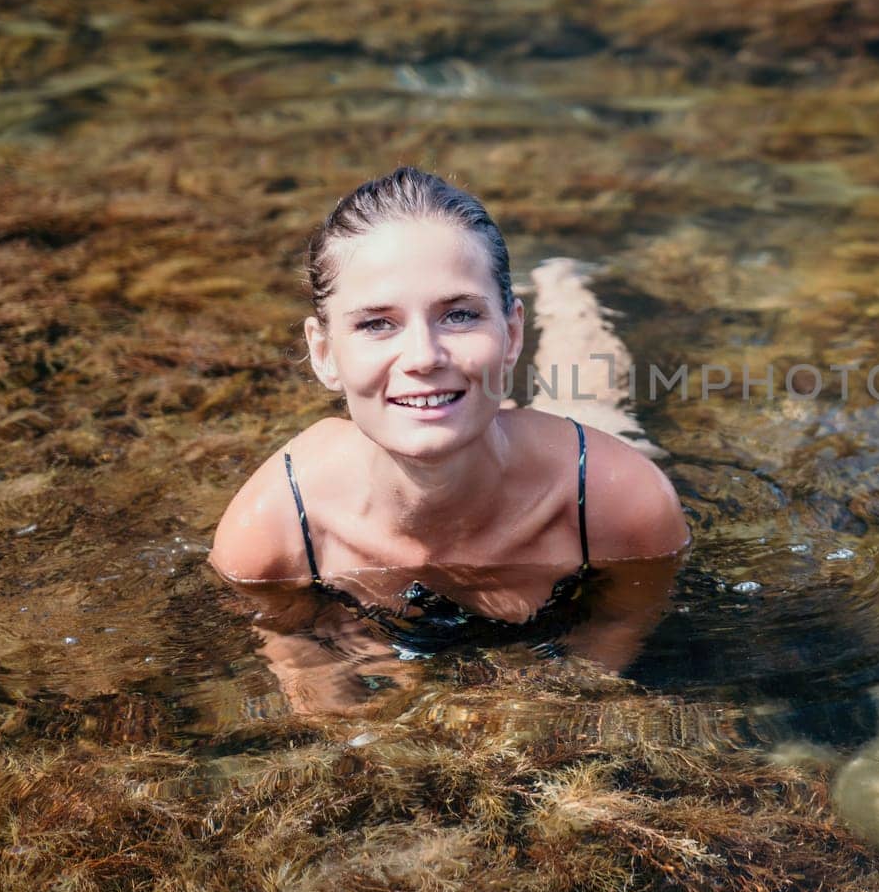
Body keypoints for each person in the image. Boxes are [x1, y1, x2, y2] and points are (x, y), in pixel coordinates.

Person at [208, 167, 689, 714]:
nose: (422, 357)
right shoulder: (274, 532)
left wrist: (536, 711)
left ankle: (565, 285)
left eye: (459, 315)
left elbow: (613, 632)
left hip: (555, 459)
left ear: (511, 334)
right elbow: (314, 686)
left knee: (596, 407)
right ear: (323, 353)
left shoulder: (616, 500)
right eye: (377, 324)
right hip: (483, 423)